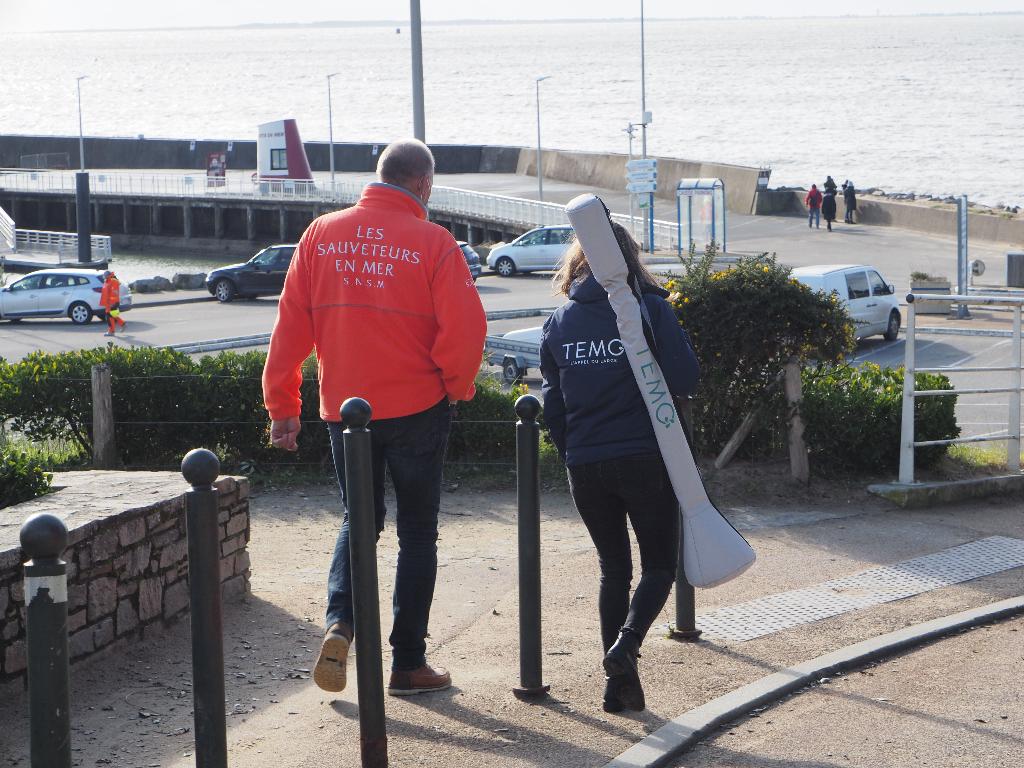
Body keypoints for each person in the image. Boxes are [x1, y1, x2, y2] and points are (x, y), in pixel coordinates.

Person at [262, 138, 487, 697]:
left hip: (345, 411)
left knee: (359, 519)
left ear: (378, 175)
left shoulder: (320, 233)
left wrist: (283, 406)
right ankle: (408, 664)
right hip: (417, 407)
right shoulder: (436, 243)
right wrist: (456, 387)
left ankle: (341, 624)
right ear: (424, 184)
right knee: (417, 532)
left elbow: (290, 326)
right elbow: (466, 331)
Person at [539, 223, 699, 714]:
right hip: (645, 457)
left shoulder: (560, 319)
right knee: (659, 567)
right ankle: (627, 645)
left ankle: (619, 688)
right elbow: (686, 378)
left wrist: (573, 453)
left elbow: (553, 404)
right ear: (628, 257)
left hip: (585, 463)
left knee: (614, 570)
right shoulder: (647, 308)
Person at [99, 271, 126, 336]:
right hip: (109, 303)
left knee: (109, 317)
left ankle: (111, 331)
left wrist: (112, 302)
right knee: (112, 315)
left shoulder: (113, 281)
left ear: (108, 276)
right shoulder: (107, 281)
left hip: (112, 302)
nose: (104, 277)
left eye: (105, 275)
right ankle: (122, 324)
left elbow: (114, 292)